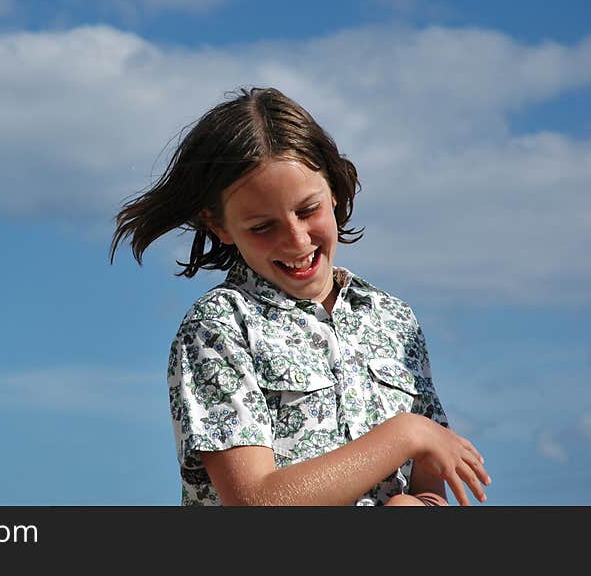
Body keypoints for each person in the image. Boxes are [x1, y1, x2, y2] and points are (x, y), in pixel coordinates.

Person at [109, 87, 491, 506]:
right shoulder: (218, 326)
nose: (295, 240)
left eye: (308, 211)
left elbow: (427, 489)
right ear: (218, 225)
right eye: (261, 227)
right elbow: (254, 502)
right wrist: (405, 434)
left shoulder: (395, 320)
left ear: (336, 192)